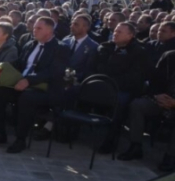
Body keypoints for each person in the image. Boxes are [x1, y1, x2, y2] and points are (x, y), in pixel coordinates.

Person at [0, 17, 69, 153]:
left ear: (49, 30)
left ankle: (20, 139)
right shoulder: (30, 44)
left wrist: (29, 80)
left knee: (27, 98)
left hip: (45, 89)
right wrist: (2, 69)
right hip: (21, 83)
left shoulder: (60, 48)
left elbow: (53, 72)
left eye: (38, 28)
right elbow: (20, 64)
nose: (34, 30)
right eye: (34, 27)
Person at [94, 22, 149, 154]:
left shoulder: (138, 52)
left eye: (119, 32)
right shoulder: (106, 47)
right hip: (102, 84)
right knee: (78, 91)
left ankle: (110, 141)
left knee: (119, 103)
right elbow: (97, 67)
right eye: (115, 31)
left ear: (130, 35)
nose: (115, 33)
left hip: (124, 89)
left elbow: (134, 77)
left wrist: (111, 82)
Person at [118, 51, 175, 171]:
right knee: (137, 105)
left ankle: (171, 155)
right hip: (162, 100)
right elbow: (154, 79)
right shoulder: (169, 56)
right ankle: (135, 146)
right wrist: (156, 95)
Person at [61, 15, 99, 82]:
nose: (72, 26)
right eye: (72, 23)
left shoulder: (93, 46)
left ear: (86, 27)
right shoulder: (65, 41)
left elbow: (88, 69)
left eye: (76, 24)